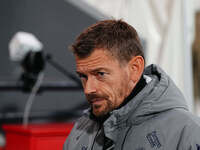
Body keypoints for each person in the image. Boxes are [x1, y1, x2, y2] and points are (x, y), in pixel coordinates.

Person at [63, 19, 200, 150]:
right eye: (83, 76)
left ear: (135, 68)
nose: (88, 89)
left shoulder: (188, 132)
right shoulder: (81, 129)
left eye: (100, 74)